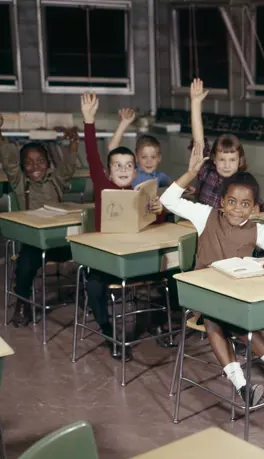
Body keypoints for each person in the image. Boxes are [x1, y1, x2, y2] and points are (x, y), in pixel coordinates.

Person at [160, 142, 264, 405]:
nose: (236, 209)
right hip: (202, 295)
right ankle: (255, 381)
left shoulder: (256, 229)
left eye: (244, 204)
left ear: (254, 208)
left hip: (233, 297)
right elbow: (167, 200)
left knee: (233, 321)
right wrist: (190, 172)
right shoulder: (204, 215)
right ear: (221, 202)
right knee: (216, 319)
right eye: (231, 202)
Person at [81, 92, 165, 361]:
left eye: (129, 165)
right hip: (107, 259)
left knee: (169, 271)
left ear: (135, 169)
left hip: (134, 257)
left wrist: (158, 212)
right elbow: (93, 154)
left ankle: (163, 322)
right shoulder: (103, 185)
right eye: (117, 165)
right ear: (108, 170)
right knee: (94, 286)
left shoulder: (139, 190)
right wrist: (89, 120)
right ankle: (109, 332)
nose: (124, 169)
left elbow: (155, 225)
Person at [0, 112, 79, 327]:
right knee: (26, 261)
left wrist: (73, 145)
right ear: (22, 167)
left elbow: (68, 168)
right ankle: (22, 303)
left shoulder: (56, 181)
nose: (35, 166)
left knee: (89, 249)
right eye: (28, 163)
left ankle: (90, 297)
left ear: (48, 163)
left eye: (40, 161)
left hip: (60, 240)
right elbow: (9, 162)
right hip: (36, 244)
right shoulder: (21, 183)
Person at [189, 78, 264, 210]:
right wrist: (195, 104)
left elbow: (259, 208)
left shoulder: (245, 182)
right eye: (222, 159)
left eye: (232, 160)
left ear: (239, 161)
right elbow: (199, 141)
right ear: (214, 159)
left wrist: (255, 208)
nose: (227, 165)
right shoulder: (206, 171)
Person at [108, 108, 173, 188]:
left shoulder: (161, 177)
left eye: (153, 157)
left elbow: (175, 186)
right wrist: (124, 123)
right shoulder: (131, 171)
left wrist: (185, 188)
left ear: (159, 158)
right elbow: (112, 148)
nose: (149, 162)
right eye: (144, 157)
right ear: (136, 157)